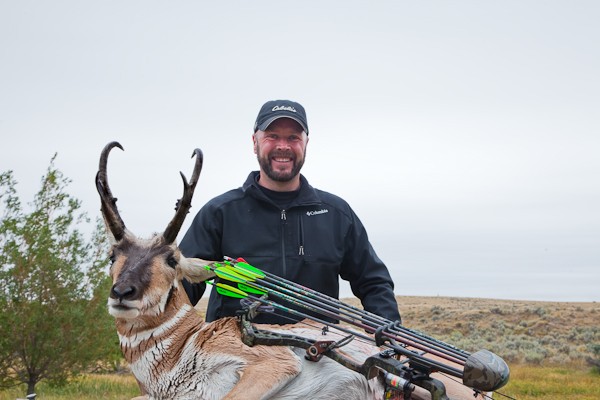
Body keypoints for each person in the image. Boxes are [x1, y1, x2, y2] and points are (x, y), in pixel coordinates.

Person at [180, 99, 400, 324]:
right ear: (254, 142)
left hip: (317, 351)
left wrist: (389, 336)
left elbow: (373, 282)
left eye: (293, 137)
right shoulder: (220, 213)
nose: (283, 146)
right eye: (272, 136)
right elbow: (180, 283)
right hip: (238, 351)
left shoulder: (337, 214)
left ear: (306, 144)